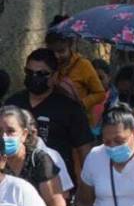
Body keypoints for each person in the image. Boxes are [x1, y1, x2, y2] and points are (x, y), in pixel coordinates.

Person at [5, 49, 94, 181]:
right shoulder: (13, 103)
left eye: (41, 74)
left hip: (56, 181)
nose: (34, 77)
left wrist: (88, 183)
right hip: (15, 178)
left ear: (55, 76)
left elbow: (84, 150)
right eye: (29, 72)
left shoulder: (69, 108)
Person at [44, 29, 106, 117]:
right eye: (52, 52)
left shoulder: (83, 65)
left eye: (61, 51)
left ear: (70, 45)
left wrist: (82, 103)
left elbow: (100, 94)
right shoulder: (48, 64)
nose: (57, 56)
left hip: (77, 117)